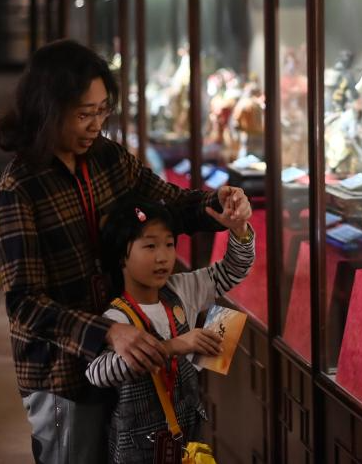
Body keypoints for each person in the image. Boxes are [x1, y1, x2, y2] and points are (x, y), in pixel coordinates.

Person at [0, 39, 252, 464]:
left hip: (129, 362)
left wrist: (218, 204)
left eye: (102, 111)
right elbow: (25, 303)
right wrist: (108, 332)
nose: (95, 125)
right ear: (48, 109)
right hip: (63, 373)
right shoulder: (19, 187)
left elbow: (169, 203)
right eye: (83, 114)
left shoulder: (108, 158)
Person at [86, 196, 254, 463]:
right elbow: (96, 373)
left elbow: (233, 269)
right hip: (137, 451)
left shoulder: (180, 289)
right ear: (121, 256)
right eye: (150, 246)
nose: (163, 257)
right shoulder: (116, 318)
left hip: (188, 438)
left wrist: (239, 230)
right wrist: (173, 346)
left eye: (169, 244)